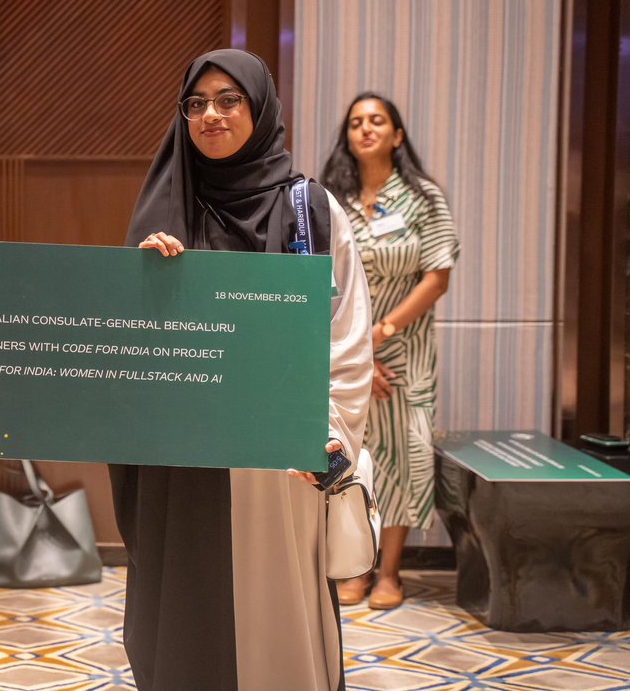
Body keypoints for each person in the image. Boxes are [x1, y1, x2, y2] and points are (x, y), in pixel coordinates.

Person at [110, 49, 373, 691]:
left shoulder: (310, 209)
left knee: (276, 617)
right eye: (196, 103)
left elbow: (347, 332)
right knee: (188, 624)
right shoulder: (165, 212)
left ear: (260, 108)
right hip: (186, 467)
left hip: (279, 462)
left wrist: (330, 432)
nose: (211, 115)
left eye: (229, 99)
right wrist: (148, 283)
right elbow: (128, 347)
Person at [320, 93, 458, 610]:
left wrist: (380, 334)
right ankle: (354, 564)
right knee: (350, 455)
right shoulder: (330, 200)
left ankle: (389, 573)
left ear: (398, 135)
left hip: (406, 353)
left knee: (404, 459)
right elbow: (322, 280)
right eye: (356, 122)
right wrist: (358, 350)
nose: (366, 129)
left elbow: (438, 276)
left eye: (377, 120)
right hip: (344, 350)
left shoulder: (423, 198)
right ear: (347, 137)